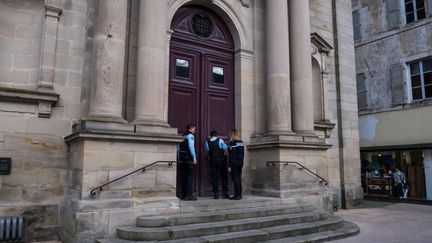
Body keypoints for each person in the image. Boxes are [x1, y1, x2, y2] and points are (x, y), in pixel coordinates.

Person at [205, 130, 229, 199]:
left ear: (211, 135)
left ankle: (216, 194)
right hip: (221, 161)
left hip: (212, 161)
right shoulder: (220, 140)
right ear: (216, 135)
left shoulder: (207, 141)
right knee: (223, 177)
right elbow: (225, 148)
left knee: (214, 178)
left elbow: (207, 151)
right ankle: (225, 193)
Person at [178, 123, 197, 201]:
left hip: (182, 158)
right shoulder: (190, 136)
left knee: (184, 177)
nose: (195, 130)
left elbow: (178, 148)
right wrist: (194, 157)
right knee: (189, 177)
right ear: (191, 128)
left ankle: (183, 195)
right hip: (189, 158)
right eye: (194, 129)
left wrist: (179, 158)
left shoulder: (183, 135)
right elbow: (191, 147)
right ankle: (189, 195)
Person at [227, 129, 245, 200]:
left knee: (235, 179)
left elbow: (232, 155)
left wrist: (229, 165)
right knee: (238, 178)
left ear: (232, 134)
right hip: (240, 162)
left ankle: (237, 195)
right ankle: (239, 195)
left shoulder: (233, 142)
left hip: (234, 163)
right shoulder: (241, 142)